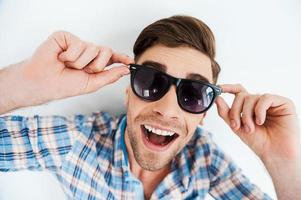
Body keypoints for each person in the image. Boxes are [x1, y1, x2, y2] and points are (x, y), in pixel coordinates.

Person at [0, 15, 300, 200]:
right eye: (150, 80)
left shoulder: (204, 158)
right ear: (128, 92)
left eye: (193, 94)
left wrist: (284, 160)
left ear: (203, 114)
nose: (168, 110)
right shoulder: (77, 143)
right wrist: (19, 86)